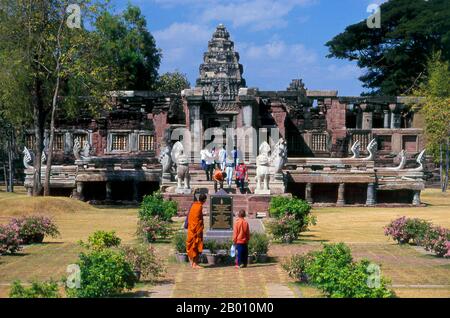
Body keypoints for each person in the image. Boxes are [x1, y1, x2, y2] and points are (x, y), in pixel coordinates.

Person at [186, 193, 207, 269]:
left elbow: (191, 217)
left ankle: (192, 263)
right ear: (204, 200)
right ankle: (194, 264)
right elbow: (198, 220)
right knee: (196, 246)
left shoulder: (194, 205)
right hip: (196, 231)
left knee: (192, 246)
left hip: (191, 229)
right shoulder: (199, 207)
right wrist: (200, 225)